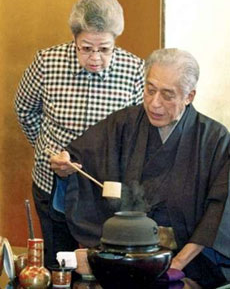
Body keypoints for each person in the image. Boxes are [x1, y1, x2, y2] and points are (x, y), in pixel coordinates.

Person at [50, 48, 230, 287]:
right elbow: (80, 160)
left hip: (189, 265)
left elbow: (218, 212)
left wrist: (177, 263)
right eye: (150, 90)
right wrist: (65, 166)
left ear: (189, 96)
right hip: (125, 260)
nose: (155, 103)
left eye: (167, 95)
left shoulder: (214, 139)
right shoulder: (123, 123)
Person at [14, 0, 145, 267]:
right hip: (54, 181)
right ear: (74, 39)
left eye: (105, 49)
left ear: (115, 41)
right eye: (86, 48)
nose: (95, 58)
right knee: (57, 261)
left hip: (103, 188)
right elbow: (25, 111)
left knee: (102, 264)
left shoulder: (134, 70)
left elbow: (137, 132)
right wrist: (48, 151)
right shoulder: (46, 63)